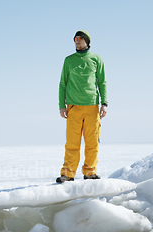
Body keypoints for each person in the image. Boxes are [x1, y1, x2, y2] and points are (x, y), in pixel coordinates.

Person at [56, 30, 108, 183]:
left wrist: (104, 103)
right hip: (73, 107)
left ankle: (90, 172)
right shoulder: (69, 60)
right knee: (72, 142)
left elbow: (102, 82)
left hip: (92, 106)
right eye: (75, 39)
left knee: (92, 142)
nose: (77, 41)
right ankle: (67, 174)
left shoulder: (96, 59)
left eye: (80, 39)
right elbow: (62, 84)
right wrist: (62, 105)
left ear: (87, 41)